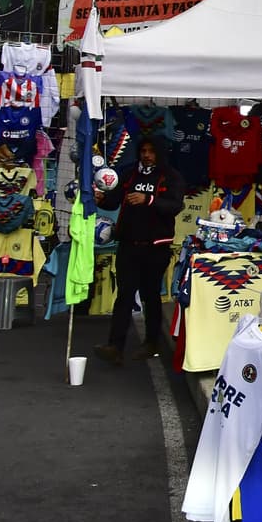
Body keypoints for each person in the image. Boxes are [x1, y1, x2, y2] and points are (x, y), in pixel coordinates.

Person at [93, 137, 185, 365]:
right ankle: (115, 346)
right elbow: (113, 201)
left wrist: (149, 199)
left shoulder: (171, 176)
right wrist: (101, 199)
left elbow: (175, 206)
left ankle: (151, 343)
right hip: (128, 245)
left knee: (150, 296)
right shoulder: (129, 173)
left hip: (156, 248)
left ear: (159, 153)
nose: (146, 155)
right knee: (124, 296)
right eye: (143, 151)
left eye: (151, 151)